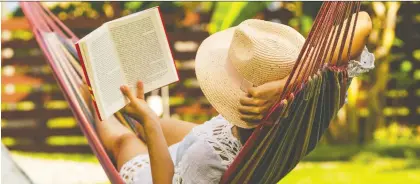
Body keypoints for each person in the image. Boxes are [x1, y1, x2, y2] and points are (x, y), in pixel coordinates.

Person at [83, 12, 375, 184]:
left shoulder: (205, 159)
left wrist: (148, 122)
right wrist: (291, 80)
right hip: (215, 139)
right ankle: (135, 114)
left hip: (165, 174)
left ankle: (95, 102)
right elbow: (362, 20)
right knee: (159, 124)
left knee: (126, 140)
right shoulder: (309, 98)